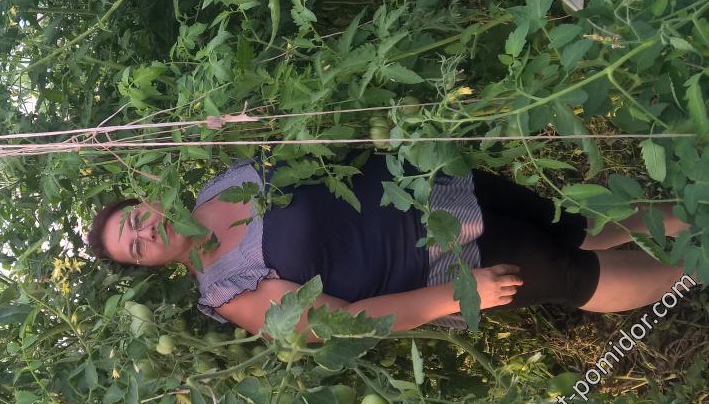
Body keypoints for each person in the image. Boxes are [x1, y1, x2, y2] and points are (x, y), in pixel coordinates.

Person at [86, 150, 692, 341]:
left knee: (570, 223)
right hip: (443, 260)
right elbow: (341, 322)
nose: (145, 232)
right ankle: (697, 264)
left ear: (147, 201)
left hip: (428, 185)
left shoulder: (218, 184)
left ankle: (690, 220)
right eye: (135, 247)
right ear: (150, 265)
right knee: (571, 275)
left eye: (135, 220)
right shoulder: (225, 290)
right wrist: (456, 296)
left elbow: (315, 154)